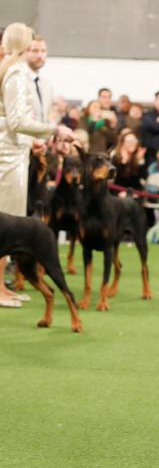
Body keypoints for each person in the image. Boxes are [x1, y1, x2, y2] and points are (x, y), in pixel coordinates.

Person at [0, 23, 74, 307]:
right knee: (8, 225)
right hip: (9, 157)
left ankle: (3, 288)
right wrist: (54, 130)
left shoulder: (7, 68)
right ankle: (0, 290)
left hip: (12, 150)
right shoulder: (16, 73)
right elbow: (18, 121)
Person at [110, 129, 147, 197]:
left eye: (134, 141)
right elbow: (117, 179)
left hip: (135, 191)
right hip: (118, 191)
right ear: (123, 143)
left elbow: (144, 177)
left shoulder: (137, 156)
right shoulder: (116, 157)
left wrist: (140, 161)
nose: (132, 144)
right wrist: (123, 162)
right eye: (129, 142)